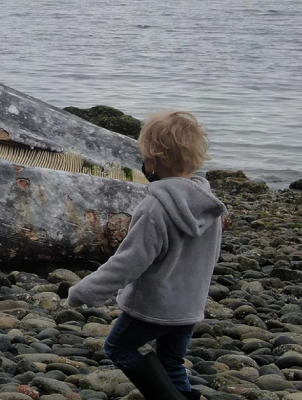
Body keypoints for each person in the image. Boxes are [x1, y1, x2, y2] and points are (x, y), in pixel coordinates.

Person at [65, 110, 226, 400]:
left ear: (150, 161)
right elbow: (211, 257)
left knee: (118, 348)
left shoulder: (155, 208)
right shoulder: (210, 206)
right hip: (189, 306)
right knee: (171, 362)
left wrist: (84, 291)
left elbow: (129, 262)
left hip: (153, 307)